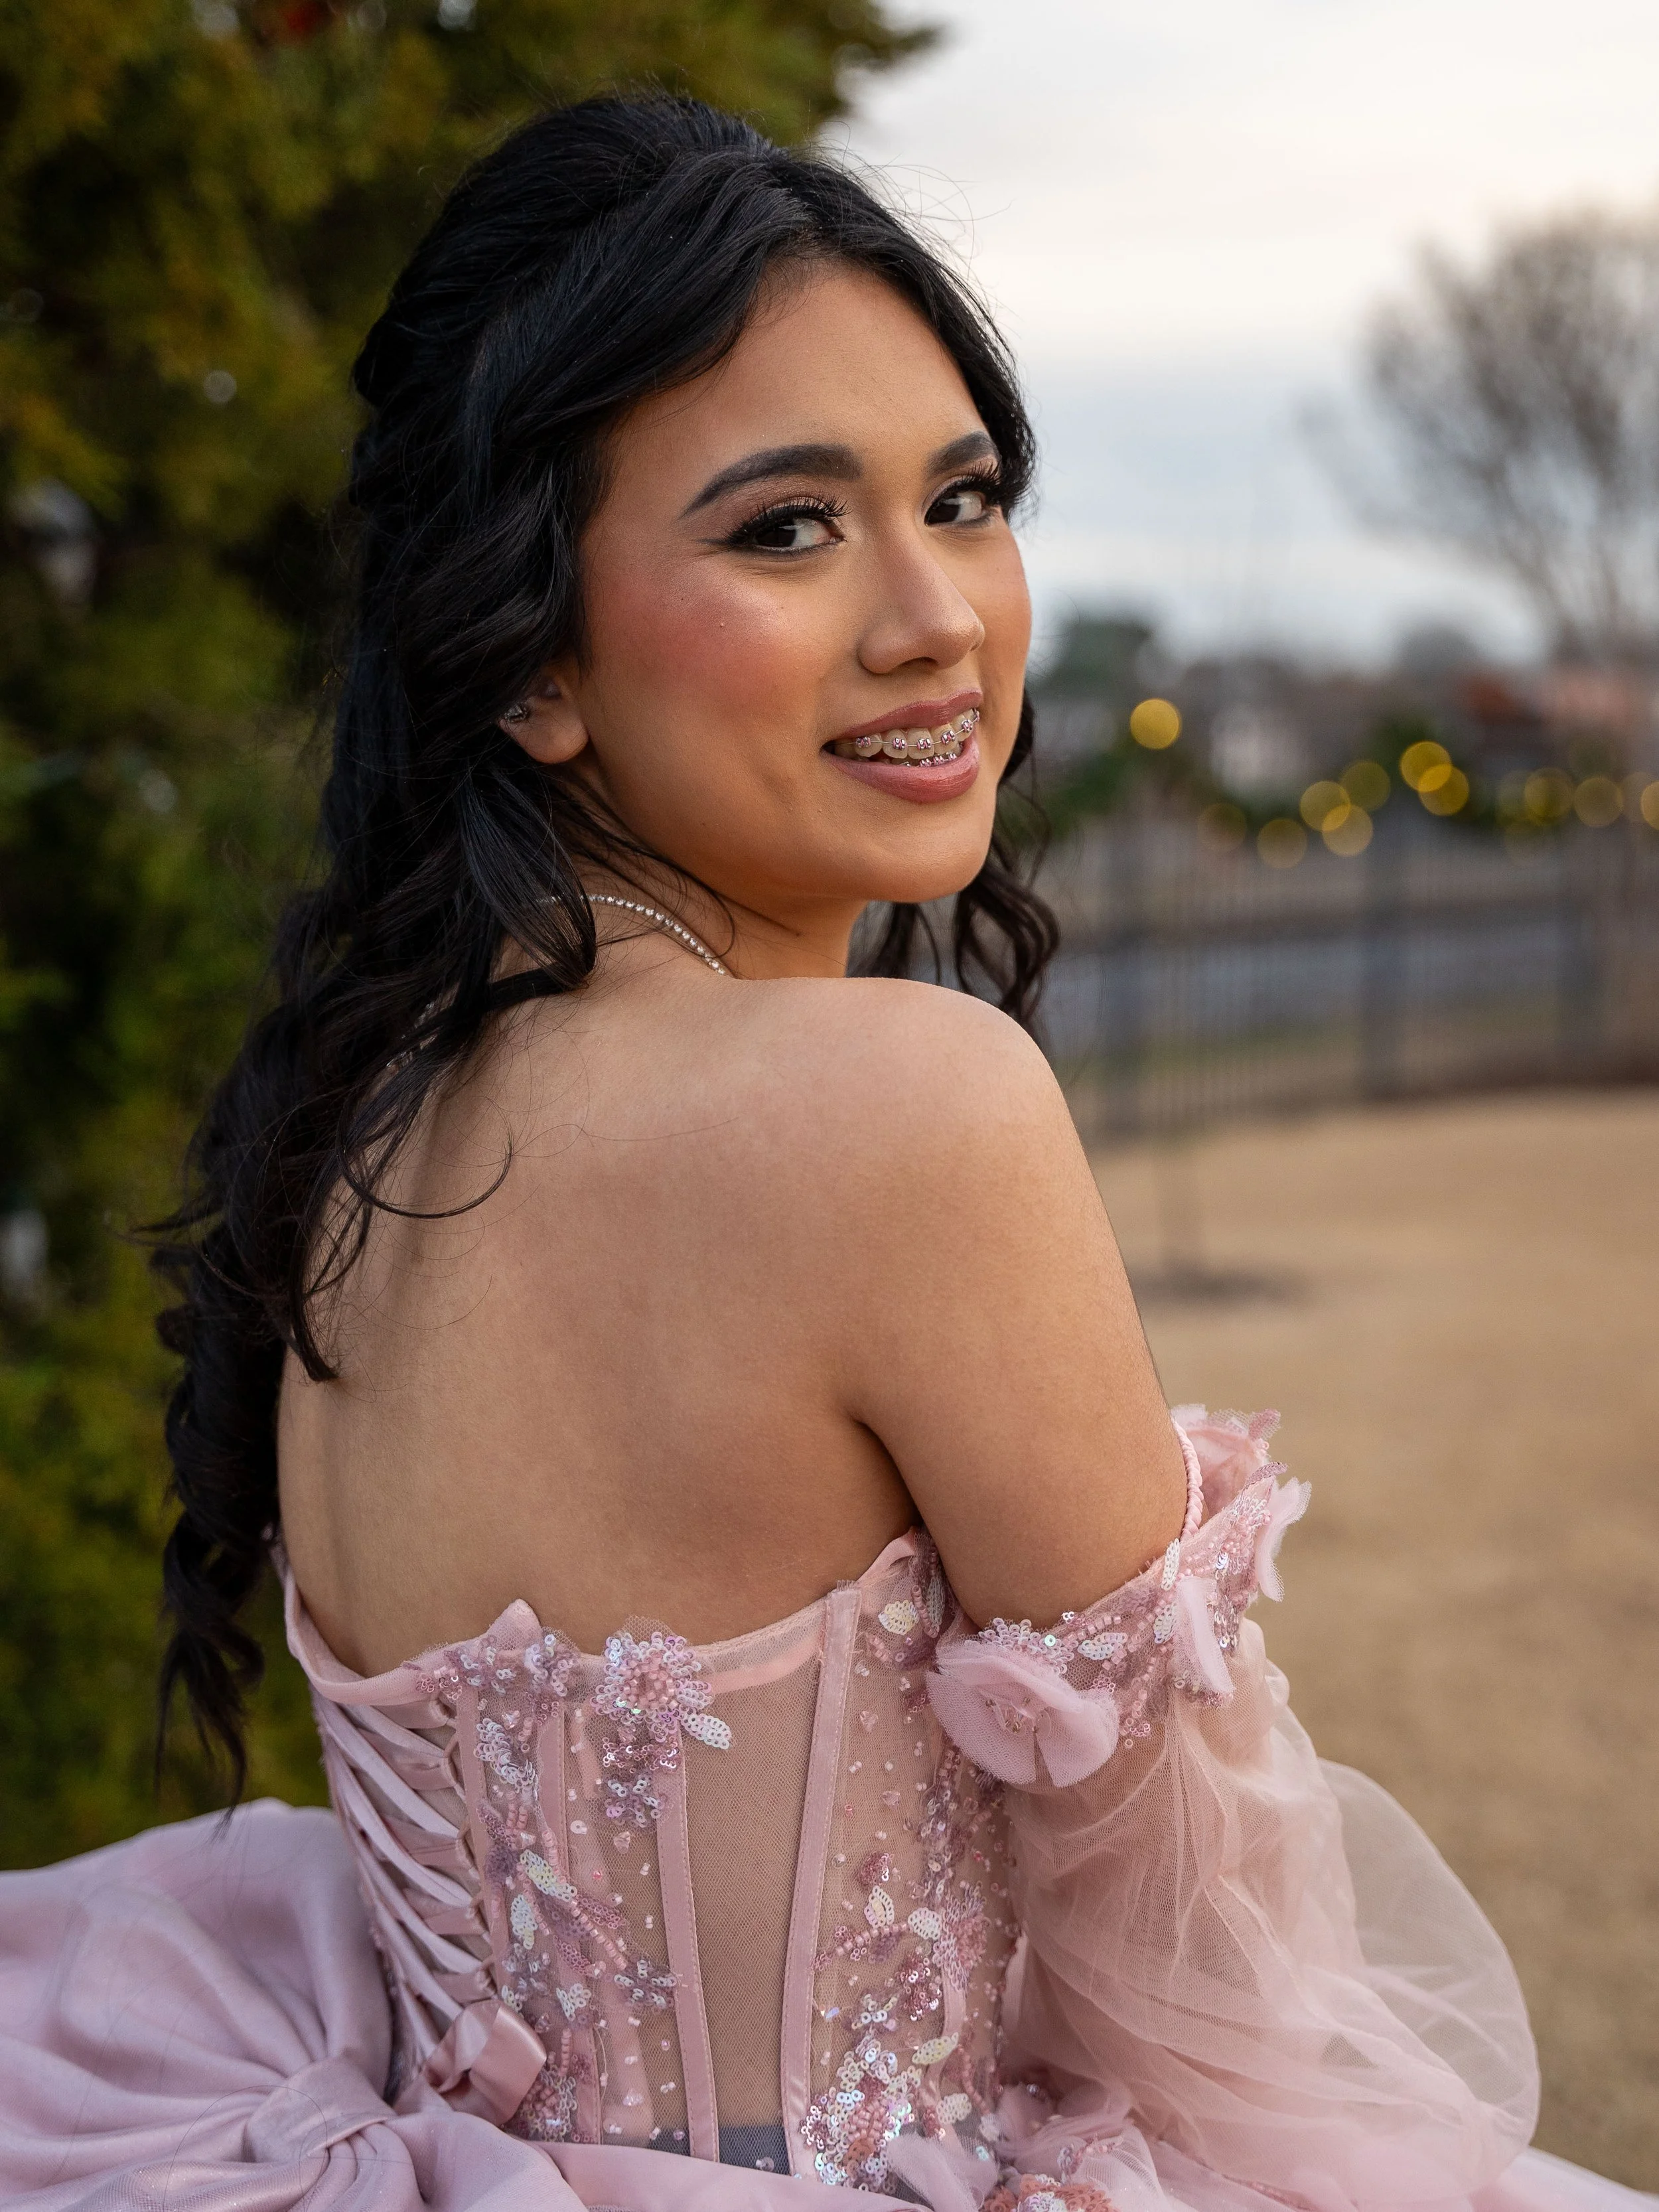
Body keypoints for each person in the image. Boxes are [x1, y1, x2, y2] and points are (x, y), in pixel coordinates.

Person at [0, 95, 1648, 2212]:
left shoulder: (358, 1123)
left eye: (961, 500)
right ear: (526, 653)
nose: (933, 616)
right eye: (785, 527)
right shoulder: (897, 1105)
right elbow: (1207, 1970)